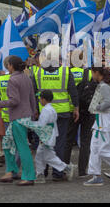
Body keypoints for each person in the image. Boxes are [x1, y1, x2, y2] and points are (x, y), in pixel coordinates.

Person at [32, 46, 79, 181]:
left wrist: (35, 109)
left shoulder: (38, 73)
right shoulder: (65, 71)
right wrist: (76, 108)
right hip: (63, 112)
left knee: (44, 143)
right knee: (60, 143)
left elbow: (34, 94)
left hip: (45, 113)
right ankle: (58, 174)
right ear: (57, 58)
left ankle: (44, 172)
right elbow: (73, 91)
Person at [0, 55, 37, 186]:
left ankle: (28, 176)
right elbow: (32, 98)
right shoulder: (26, 78)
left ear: (11, 65)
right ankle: (10, 171)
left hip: (18, 117)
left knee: (22, 148)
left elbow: (14, 101)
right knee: (7, 143)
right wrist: (33, 114)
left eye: (8, 65)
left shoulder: (13, 80)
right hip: (25, 116)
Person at [32, 90, 74, 183]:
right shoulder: (52, 109)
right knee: (42, 156)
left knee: (48, 157)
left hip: (46, 136)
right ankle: (40, 174)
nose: (39, 100)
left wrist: (31, 125)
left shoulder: (45, 110)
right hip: (50, 135)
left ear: (44, 99)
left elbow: (42, 124)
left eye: (40, 98)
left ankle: (65, 168)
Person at [64, 63, 96, 178]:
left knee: (68, 141)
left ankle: (65, 168)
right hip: (87, 110)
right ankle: (82, 171)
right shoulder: (87, 73)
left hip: (72, 109)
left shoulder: (67, 72)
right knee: (85, 141)